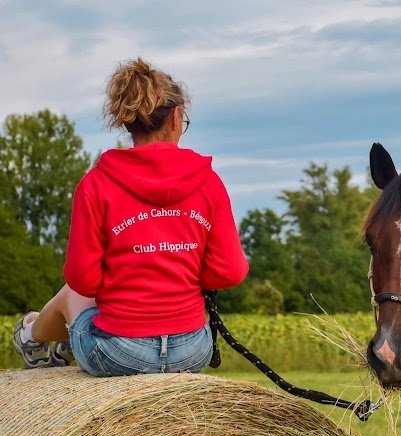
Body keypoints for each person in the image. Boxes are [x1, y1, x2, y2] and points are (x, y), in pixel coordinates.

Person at [12, 58, 249, 376]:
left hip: (117, 353)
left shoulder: (95, 184)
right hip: (191, 351)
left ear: (126, 122)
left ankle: (31, 336)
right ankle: (51, 336)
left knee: (72, 294)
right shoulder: (209, 183)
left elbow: (83, 280)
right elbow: (230, 272)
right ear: (177, 117)